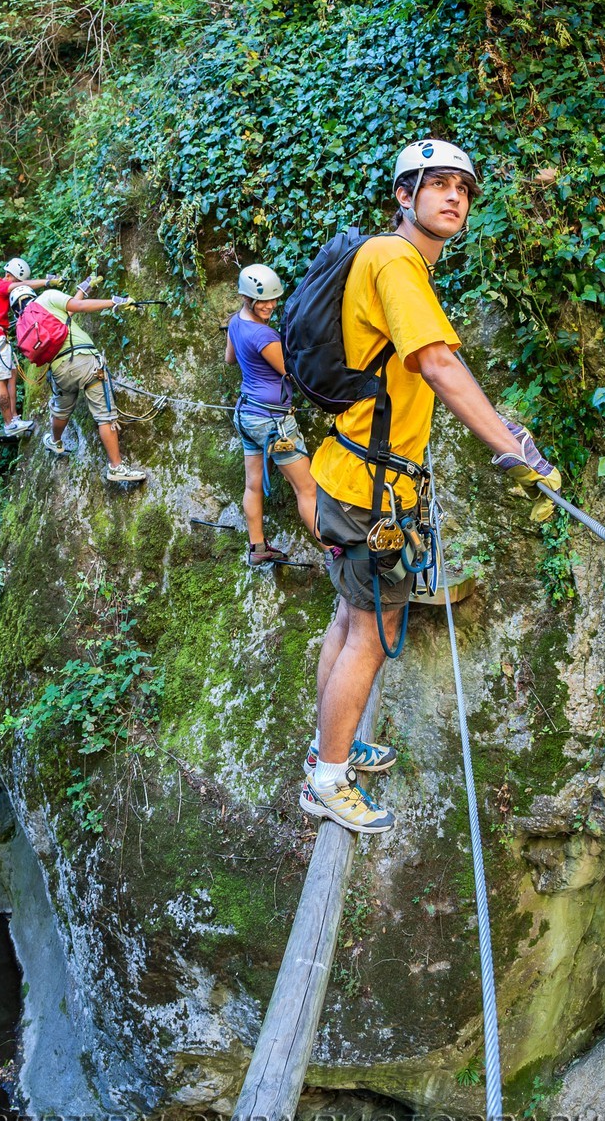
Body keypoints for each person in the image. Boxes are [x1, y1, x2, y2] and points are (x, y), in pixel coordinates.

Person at [301, 139, 562, 835]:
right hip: (369, 489)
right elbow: (438, 363)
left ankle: (333, 743)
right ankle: (327, 778)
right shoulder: (393, 259)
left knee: (347, 620)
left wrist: (507, 431)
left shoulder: (391, 260)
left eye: (463, 188)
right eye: (437, 184)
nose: (454, 197)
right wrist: (514, 452)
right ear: (403, 195)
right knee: (370, 629)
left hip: (350, 471)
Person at [225, 263, 318, 567]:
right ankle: (334, 552)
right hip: (273, 421)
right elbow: (291, 372)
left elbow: (229, 359)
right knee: (306, 488)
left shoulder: (236, 323)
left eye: (273, 299)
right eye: (261, 301)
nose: (269, 306)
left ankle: (257, 547)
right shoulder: (264, 336)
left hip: (247, 415)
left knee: (253, 484)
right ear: (246, 297)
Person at [20, 279, 147, 485]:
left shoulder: (27, 322)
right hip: (85, 361)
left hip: (59, 371)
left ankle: (55, 441)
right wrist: (115, 302)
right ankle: (116, 466)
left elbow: (67, 315)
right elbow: (76, 307)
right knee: (104, 415)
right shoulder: (47, 297)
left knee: (61, 409)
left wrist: (83, 287)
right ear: (32, 295)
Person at [0, 257, 39, 436]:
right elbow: (23, 286)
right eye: (18, 281)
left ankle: (14, 418)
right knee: (0, 380)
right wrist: (48, 281)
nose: (19, 285)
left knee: (11, 375)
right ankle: (9, 423)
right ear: (11, 276)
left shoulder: (0, 287)